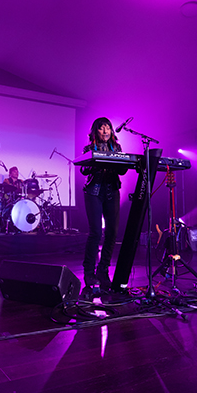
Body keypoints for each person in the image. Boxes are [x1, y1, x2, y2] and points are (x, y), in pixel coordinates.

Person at [80, 117, 128, 290]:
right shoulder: (88, 148)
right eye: (102, 128)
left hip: (112, 191)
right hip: (94, 192)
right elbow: (84, 169)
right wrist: (96, 161)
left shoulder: (117, 148)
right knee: (95, 233)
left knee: (112, 232)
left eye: (108, 127)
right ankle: (89, 273)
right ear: (96, 131)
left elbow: (122, 170)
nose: (106, 130)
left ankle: (103, 270)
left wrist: (119, 161)